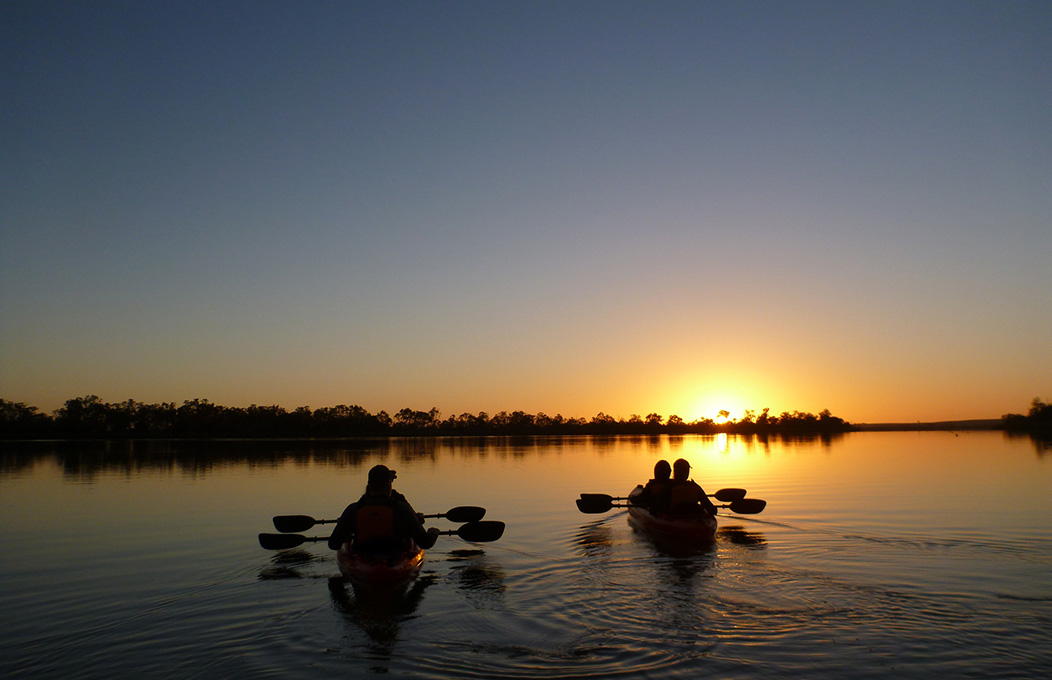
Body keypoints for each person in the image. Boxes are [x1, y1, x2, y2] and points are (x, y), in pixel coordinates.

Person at [327, 464, 439, 552]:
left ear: (369, 485)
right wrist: (433, 533)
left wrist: (343, 526)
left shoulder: (353, 510)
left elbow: (333, 544)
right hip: (395, 557)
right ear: (388, 485)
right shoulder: (402, 509)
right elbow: (425, 543)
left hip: (362, 556)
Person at [653, 458, 717, 516]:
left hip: (674, 518)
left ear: (674, 472)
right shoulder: (695, 487)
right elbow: (713, 510)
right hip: (694, 519)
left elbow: (654, 510)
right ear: (687, 472)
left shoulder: (668, 488)